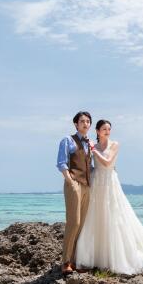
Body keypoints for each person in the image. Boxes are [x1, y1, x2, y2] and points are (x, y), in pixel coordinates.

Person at [75, 119, 143, 275]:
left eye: (109, 129)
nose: (107, 131)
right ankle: (95, 257)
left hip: (109, 182)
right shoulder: (93, 145)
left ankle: (116, 257)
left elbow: (108, 163)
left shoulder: (114, 144)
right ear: (97, 131)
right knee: (95, 217)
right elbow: (89, 164)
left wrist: (93, 150)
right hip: (96, 181)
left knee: (114, 215)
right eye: (104, 129)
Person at [56, 111, 94, 275]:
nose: (85, 124)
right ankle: (66, 262)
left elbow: (90, 166)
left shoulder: (89, 143)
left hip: (87, 186)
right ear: (76, 124)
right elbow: (61, 163)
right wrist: (70, 181)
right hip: (74, 184)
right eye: (82, 121)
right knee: (74, 222)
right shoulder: (68, 140)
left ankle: (75, 261)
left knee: (82, 224)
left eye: (88, 121)